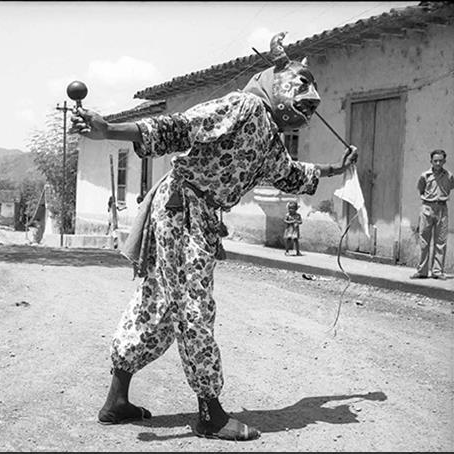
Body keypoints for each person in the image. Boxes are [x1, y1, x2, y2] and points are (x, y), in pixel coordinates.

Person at [70, 33, 358, 441]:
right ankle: (210, 412)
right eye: (302, 86)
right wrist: (111, 130)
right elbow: (182, 127)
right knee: (192, 306)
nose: (308, 100)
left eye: (312, 96)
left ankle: (117, 399)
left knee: (156, 303)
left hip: (193, 214)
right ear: (276, 82)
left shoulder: (271, 140)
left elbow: (293, 175)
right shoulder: (244, 106)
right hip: (182, 209)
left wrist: (336, 169)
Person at [410, 149, 453, 280]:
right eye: (435, 161)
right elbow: (420, 189)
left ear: (444, 161)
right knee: (424, 241)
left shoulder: (449, 176)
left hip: (442, 209)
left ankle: (437, 271)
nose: (438, 163)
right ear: (431, 161)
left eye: (441, 161)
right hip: (427, 208)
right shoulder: (425, 176)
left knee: (440, 241)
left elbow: (450, 187)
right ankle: (422, 271)